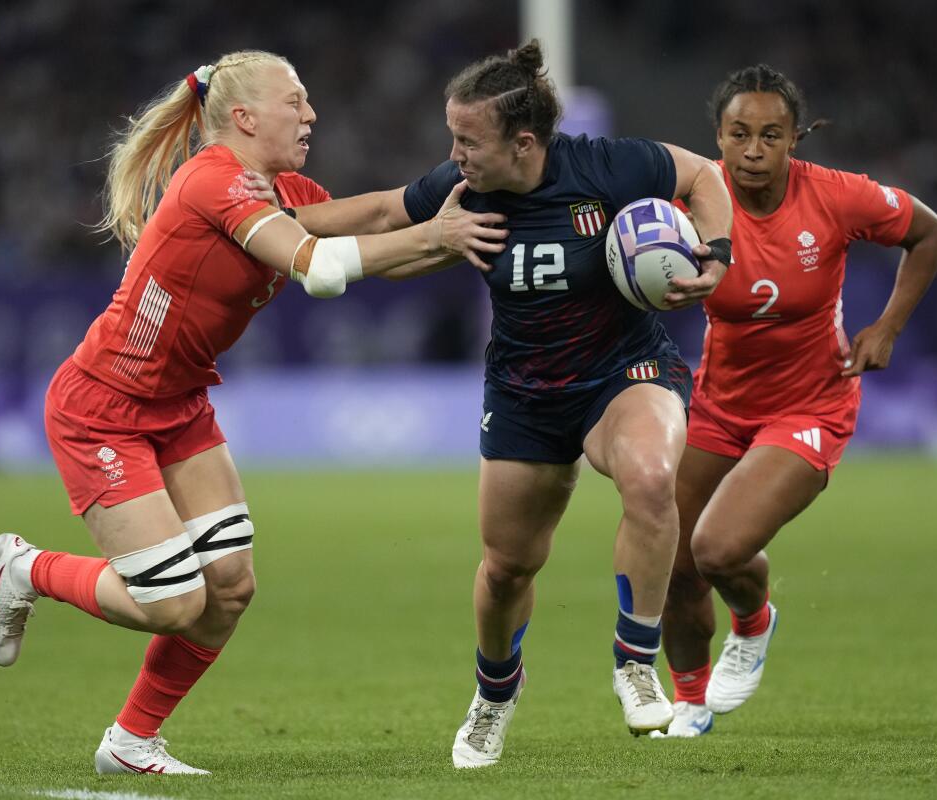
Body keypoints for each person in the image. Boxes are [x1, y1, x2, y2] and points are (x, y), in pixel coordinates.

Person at [0, 49, 507, 776]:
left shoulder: (279, 189)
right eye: (297, 101)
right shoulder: (213, 182)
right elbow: (319, 267)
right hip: (105, 407)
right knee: (169, 602)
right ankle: (24, 570)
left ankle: (131, 742)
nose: (311, 114)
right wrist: (434, 237)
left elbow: (387, 212)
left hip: (180, 404)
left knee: (228, 587)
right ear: (246, 117)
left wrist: (480, 185)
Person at [295, 40, 733, 767]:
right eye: (453, 138)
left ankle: (634, 663)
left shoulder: (607, 165)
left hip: (623, 371)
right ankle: (494, 695)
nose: (455, 153)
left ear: (523, 142)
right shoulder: (464, 190)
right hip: (526, 395)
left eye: (468, 139)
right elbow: (377, 213)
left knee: (653, 478)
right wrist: (261, 216)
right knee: (506, 570)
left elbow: (703, 174)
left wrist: (715, 253)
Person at [650, 64, 937, 739]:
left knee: (720, 549)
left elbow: (930, 234)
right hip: (719, 403)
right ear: (718, 138)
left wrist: (888, 326)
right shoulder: (688, 206)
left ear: (795, 140)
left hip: (811, 404)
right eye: (739, 134)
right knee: (676, 564)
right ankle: (691, 703)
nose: (753, 150)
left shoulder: (838, 198)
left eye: (771, 135)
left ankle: (753, 624)